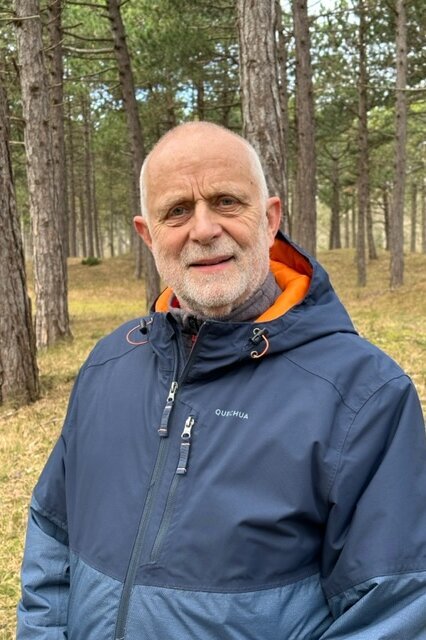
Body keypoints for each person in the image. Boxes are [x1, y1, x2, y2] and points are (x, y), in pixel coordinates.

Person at [17, 122, 426, 639]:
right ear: (148, 235)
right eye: (177, 211)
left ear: (270, 219)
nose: (204, 229)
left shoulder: (364, 395)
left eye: (226, 201)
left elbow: (392, 611)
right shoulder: (108, 365)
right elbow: (52, 534)